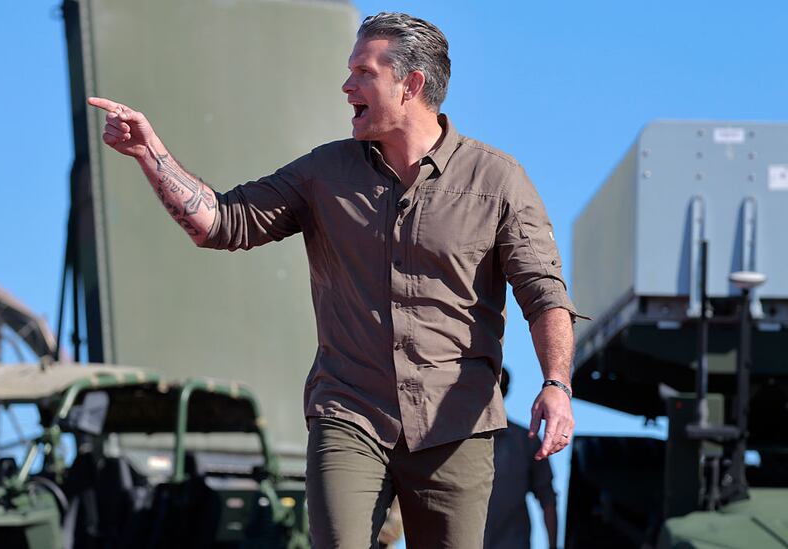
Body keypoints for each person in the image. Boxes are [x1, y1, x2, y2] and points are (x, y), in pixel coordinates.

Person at [88, 12, 578, 548]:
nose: (347, 86)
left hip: (455, 424)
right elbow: (221, 222)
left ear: (411, 84)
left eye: (363, 73)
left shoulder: (498, 181)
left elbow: (544, 294)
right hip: (350, 413)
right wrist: (149, 152)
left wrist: (556, 384)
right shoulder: (322, 173)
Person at [485, 367, 559, 549]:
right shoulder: (455, 442)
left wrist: (553, 546)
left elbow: (548, 499)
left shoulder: (525, 441)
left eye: (498, 388)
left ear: (505, 391)